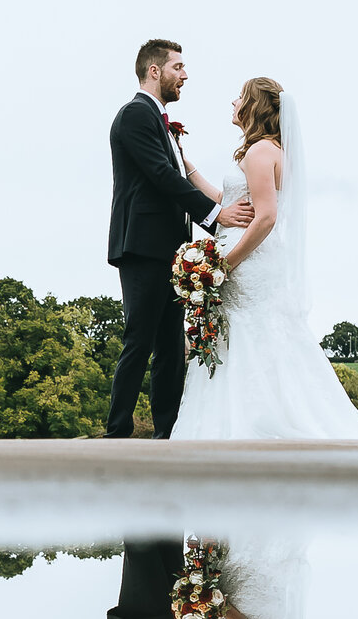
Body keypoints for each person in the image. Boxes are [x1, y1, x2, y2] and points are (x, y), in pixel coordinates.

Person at [171, 76, 358, 440]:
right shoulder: (268, 151)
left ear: (254, 105)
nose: (232, 102)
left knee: (247, 336)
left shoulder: (259, 152)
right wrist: (188, 168)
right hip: (255, 262)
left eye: (238, 97)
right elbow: (230, 201)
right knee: (255, 336)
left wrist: (223, 265)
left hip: (247, 264)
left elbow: (266, 217)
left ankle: (247, 425)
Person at [106, 40, 252, 439]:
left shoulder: (163, 122)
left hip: (168, 249)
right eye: (178, 67)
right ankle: (117, 431)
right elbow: (162, 176)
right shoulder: (135, 115)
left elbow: (179, 177)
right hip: (142, 245)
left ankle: (166, 433)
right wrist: (216, 216)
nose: (185, 75)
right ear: (155, 71)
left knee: (171, 344)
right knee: (139, 337)